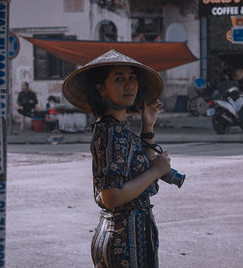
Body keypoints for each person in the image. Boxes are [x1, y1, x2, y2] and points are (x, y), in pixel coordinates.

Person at [62, 49, 171, 268]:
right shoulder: (111, 131)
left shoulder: (114, 128)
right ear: (101, 90)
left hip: (128, 236)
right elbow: (111, 196)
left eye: (132, 78)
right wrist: (156, 171)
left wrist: (147, 128)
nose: (129, 85)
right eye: (119, 79)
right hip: (126, 241)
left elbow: (139, 176)